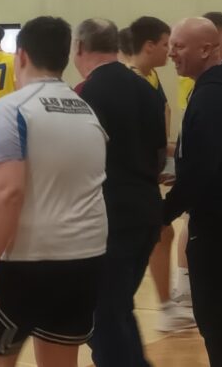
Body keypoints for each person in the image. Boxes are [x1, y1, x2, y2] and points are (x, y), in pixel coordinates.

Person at [0, 16, 108, 367]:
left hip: (28, 261)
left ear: (21, 55)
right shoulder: (85, 109)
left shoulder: (11, 109)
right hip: (85, 257)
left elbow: (9, 192)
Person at [72, 18, 167, 367]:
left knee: (104, 317)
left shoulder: (85, 93)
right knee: (118, 308)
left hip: (108, 218)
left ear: (80, 47)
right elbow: (160, 155)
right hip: (146, 212)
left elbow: (79, 161)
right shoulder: (147, 88)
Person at [164, 17, 222, 367]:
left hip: (220, 229)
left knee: (220, 324)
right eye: (171, 45)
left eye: (179, 46)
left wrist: (162, 213)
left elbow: (202, 170)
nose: (171, 53)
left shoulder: (212, 96)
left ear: (207, 49)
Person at [125, 16, 198, 332]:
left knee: (162, 232)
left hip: (148, 173)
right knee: (154, 234)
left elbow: (160, 127)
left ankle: (167, 305)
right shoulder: (129, 82)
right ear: (148, 45)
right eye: (166, 44)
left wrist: (172, 156)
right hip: (131, 180)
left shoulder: (151, 77)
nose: (170, 51)